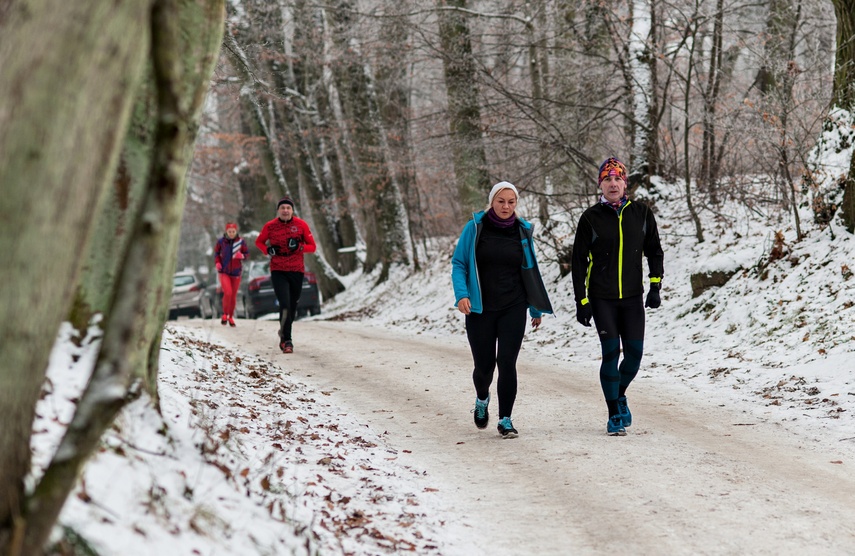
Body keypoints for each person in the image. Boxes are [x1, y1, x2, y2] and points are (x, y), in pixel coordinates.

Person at [451, 181, 553, 438]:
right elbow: (459, 263)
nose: (506, 206)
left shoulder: (522, 231)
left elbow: (529, 271)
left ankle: (505, 419)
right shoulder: (475, 228)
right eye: (501, 201)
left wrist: (535, 307)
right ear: (492, 202)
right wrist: (462, 295)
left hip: (513, 306)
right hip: (480, 308)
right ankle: (482, 398)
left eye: (511, 202)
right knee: (484, 367)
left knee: (507, 362)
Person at [571, 157, 664, 436]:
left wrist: (655, 285)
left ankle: (619, 394)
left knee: (634, 357)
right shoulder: (590, 218)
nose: (613, 184)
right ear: (600, 184)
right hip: (602, 300)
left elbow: (655, 251)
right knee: (610, 355)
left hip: (633, 299)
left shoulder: (642, 214)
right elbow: (578, 263)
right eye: (607, 179)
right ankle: (613, 414)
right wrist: (582, 301)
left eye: (617, 179)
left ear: (625, 183)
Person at [255, 196, 317, 354]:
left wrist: (299, 246)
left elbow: (313, 247)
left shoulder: (301, 224)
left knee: (293, 305)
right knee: (284, 303)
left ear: (292, 210)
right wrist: (268, 250)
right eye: (282, 208)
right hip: (278, 270)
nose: (285, 210)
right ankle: (287, 340)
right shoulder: (270, 226)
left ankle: (283, 330)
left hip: (296, 270)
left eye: (288, 208)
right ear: (278, 211)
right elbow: (259, 242)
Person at [214, 222, 248, 327]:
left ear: (236, 231)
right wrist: (218, 263)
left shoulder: (241, 242)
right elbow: (216, 254)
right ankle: (225, 314)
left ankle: (231, 317)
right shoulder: (221, 242)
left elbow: (247, 254)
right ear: (226, 231)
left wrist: (241, 255)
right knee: (227, 292)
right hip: (224, 272)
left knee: (233, 296)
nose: (232, 233)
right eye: (229, 231)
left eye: (233, 231)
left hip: (236, 273)